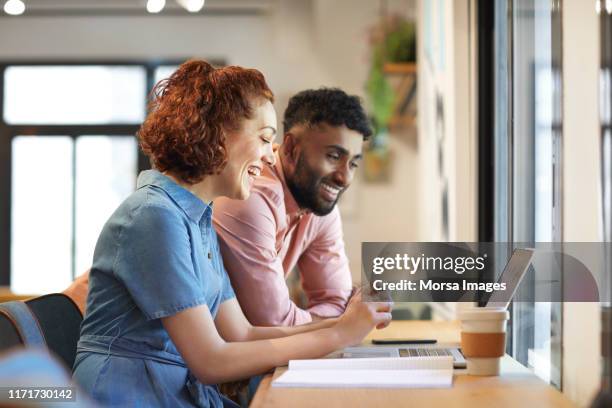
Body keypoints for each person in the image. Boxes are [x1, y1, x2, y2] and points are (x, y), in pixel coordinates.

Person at [72, 60, 391, 407]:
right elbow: (212, 361)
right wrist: (341, 333)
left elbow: (242, 333)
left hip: (168, 387)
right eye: (266, 138)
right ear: (217, 133)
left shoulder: (198, 220)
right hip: (127, 394)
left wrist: (342, 325)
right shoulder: (153, 217)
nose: (272, 156)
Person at [213, 88, 371, 326]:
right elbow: (273, 322)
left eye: (353, 163)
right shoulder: (249, 198)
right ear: (290, 149)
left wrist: (338, 321)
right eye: (333, 156)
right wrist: (340, 325)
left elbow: (337, 302)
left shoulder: (318, 205)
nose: (345, 178)